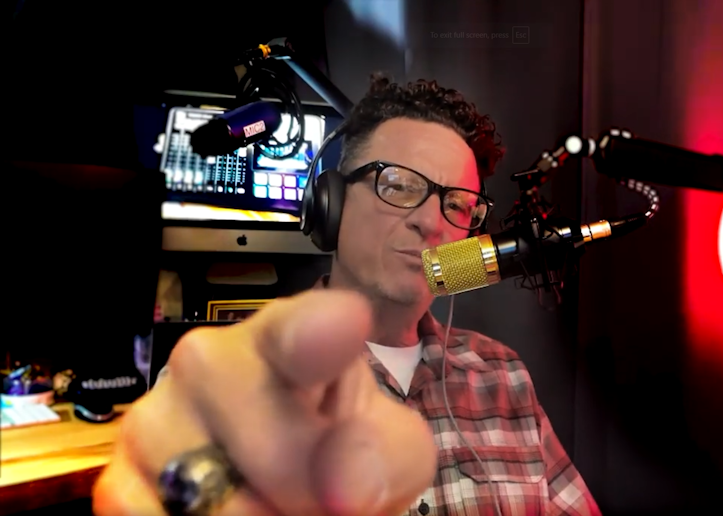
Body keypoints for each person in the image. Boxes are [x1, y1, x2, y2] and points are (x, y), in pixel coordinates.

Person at [93, 74, 600, 516]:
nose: (431, 221)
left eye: (458, 204)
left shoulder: (503, 375)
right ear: (329, 203)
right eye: (398, 184)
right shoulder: (242, 374)